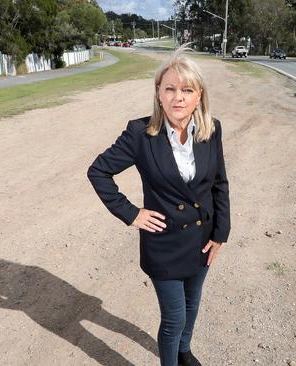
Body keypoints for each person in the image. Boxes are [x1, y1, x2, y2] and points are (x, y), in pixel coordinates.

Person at [87, 44, 230, 366]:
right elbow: (98, 171)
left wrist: (221, 233)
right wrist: (131, 213)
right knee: (174, 318)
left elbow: (219, 183)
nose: (178, 97)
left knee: (192, 304)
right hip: (164, 245)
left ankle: (184, 352)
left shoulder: (211, 129)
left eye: (186, 90)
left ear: (199, 96)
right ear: (159, 94)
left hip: (202, 240)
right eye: (170, 89)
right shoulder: (141, 134)